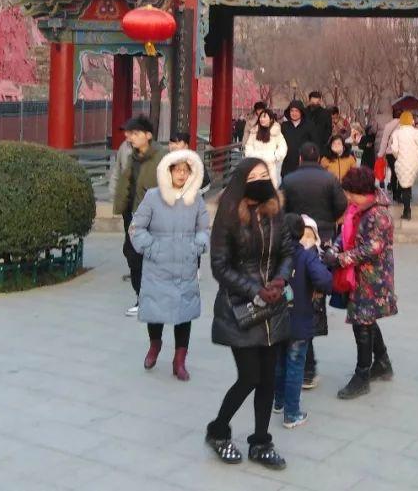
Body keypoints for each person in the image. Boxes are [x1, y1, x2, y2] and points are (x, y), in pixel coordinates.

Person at [206, 158, 293, 470]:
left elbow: (287, 251)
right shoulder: (229, 214)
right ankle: (218, 430)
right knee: (249, 377)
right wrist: (254, 289)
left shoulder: (275, 209)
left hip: (274, 306)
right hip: (239, 307)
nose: (261, 180)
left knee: (269, 379)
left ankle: (260, 440)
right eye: (254, 176)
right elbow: (220, 265)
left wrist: (280, 280)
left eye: (265, 174)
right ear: (242, 180)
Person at [127, 149, 210, 381]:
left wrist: (197, 246)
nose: (182, 175)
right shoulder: (153, 197)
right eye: (178, 170)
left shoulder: (196, 199)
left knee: (184, 314)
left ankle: (180, 360)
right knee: (156, 310)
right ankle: (155, 346)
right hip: (158, 266)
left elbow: (204, 229)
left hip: (185, 266)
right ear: (168, 171)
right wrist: (151, 247)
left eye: (186, 170)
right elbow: (136, 228)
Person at [322, 166, 396, 400]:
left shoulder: (378, 214)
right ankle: (382, 361)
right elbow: (343, 233)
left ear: (359, 191)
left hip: (373, 276)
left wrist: (341, 258)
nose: (346, 196)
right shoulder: (357, 209)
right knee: (365, 318)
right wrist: (334, 248)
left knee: (361, 321)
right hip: (358, 274)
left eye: (349, 192)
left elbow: (372, 248)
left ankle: (362, 374)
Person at [281, 141, 348, 388]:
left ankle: (302, 363)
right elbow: (341, 204)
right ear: (319, 157)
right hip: (323, 237)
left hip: (296, 236)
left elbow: (281, 206)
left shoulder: (289, 179)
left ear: (299, 158)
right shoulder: (329, 179)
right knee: (315, 293)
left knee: (297, 293)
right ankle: (308, 365)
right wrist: (329, 219)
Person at [274, 214, 333, 429]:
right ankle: (292, 413)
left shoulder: (273, 255)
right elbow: (325, 281)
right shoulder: (306, 256)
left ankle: (278, 401)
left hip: (276, 319)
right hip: (299, 318)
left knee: (279, 361)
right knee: (295, 365)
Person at [113, 115, 166, 317]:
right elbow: (124, 182)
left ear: (148, 135)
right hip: (132, 214)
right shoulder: (132, 156)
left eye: (135, 133)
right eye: (129, 133)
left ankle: (151, 299)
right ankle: (142, 297)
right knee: (132, 255)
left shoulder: (162, 157)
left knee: (151, 258)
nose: (130, 137)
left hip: (155, 217)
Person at [388, 110, 418, 220]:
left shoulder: (397, 133)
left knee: (404, 185)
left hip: (402, 161)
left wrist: (397, 156)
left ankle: (407, 211)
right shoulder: (416, 132)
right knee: (408, 184)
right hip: (414, 161)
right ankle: (406, 210)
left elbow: (394, 149)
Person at [245, 109, 288, 186]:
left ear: (271, 119)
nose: (262, 119)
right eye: (261, 117)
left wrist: (275, 156)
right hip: (255, 164)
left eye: (265, 117)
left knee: (269, 190)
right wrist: (252, 156)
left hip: (270, 166)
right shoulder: (254, 131)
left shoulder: (276, 132)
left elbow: (283, 147)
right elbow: (249, 145)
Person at [280, 99, 316, 177]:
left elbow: (314, 143)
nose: (294, 113)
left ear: (301, 112)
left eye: (296, 111)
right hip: (287, 163)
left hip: (303, 163)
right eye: (292, 111)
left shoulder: (309, 125)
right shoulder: (284, 125)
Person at [376, 110, 401, 198]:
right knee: (402, 173)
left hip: (390, 153)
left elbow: (384, 141)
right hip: (402, 153)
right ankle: (401, 192)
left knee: (394, 173)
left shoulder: (388, 126)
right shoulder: (405, 125)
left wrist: (380, 154)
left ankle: (395, 194)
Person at [107, 127, 134, 201]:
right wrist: (112, 194)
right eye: (125, 131)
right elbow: (116, 172)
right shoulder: (124, 147)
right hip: (125, 196)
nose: (125, 134)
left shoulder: (148, 149)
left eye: (129, 131)